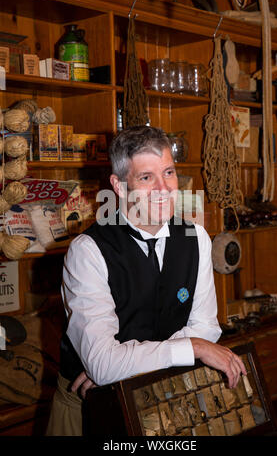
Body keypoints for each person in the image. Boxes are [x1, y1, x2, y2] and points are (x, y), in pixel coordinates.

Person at [46, 125, 246, 436]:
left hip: (164, 395)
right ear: (120, 186)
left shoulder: (197, 239)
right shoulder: (87, 251)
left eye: (168, 172)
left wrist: (124, 366)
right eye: (146, 177)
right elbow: (103, 365)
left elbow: (206, 327)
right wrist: (192, 347)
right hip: (90, 407)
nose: (164, 189)